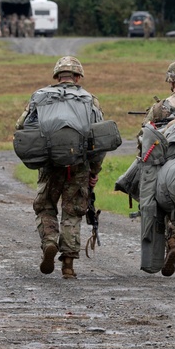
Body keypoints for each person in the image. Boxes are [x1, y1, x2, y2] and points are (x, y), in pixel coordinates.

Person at [16, 56, 105, 279]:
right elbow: (99, 137)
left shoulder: (40, 96)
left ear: (57, 77)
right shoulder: (89, 100)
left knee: (45, 206)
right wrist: (94, 171)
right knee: (73, 211)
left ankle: (49, 242)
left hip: (49, 163)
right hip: (79, 165)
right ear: (77, 77)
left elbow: (22, 126)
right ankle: (68, 265)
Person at [142, 61, 175, 276]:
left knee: (161, 203)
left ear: (171, 81)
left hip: (166, 162)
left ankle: (171, 242)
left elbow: (144, 138)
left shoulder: (160, 107)